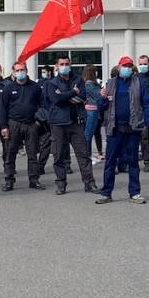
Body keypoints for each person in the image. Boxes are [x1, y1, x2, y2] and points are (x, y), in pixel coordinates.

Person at [95, 56, 149, 204]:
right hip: (114, 128)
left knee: (133, 162)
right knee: (110, 162)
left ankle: (134, 193)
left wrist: (146, 121)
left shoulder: (138, 83)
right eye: (124, 66)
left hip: (133, 128)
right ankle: (106, 193)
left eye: (129, 66)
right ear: (119, 67)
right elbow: (101, 106)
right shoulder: (110, 83)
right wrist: (101, 97)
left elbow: (146, 103)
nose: (127, 68)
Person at [46, 55, 98, 195]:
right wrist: (72, 93)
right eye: (61, 64)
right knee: (59, 156)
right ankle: (61, 184)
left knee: (83, 154)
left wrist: (66, 96)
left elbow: (82, 98)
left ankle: (89, 183)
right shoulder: (51, 83)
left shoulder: (78, 79)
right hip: (58, 123)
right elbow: (56, 100)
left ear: (70, 64)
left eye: (67, 63)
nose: (64, 66)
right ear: (56, 66)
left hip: (76, 122)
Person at [0, 61, 46, 191]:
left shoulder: (35, 87)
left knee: (32, 154)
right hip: (13, 123)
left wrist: (38, 122)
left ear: (26, 70)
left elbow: (42, 105)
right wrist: (4, 126)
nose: (21, 73)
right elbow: (2, 108)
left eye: (23, 70)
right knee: (10, 153)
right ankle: (9, 181)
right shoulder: (8, 88)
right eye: (18, 70)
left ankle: (34, 180)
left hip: (31, 124)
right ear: (13, 72)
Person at [82, 66, 104, 163]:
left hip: (93, 111)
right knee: (88, 134)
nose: (96, 73)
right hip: (92, 111)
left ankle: (89, 155)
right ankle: (87, 156)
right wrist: (102, 91)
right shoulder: (89, 84)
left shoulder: (90, 84)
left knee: (90, 133)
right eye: (95, 72)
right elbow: (98, 95)